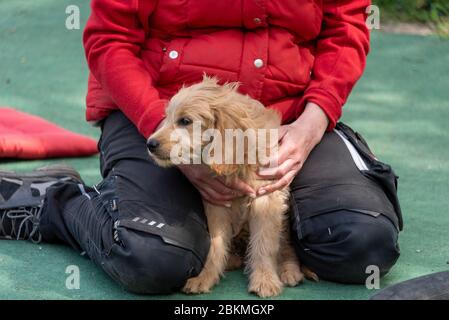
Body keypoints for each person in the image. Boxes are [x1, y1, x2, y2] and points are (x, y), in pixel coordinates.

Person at [0, 0, 402, 294]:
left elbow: (345, 26)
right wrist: (172, 138)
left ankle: (258, 237)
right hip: (158, 113)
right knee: (151, 258)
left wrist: (314, 120)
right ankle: (57, 203)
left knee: (361, 243)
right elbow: (111, 39)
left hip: (288, 117)